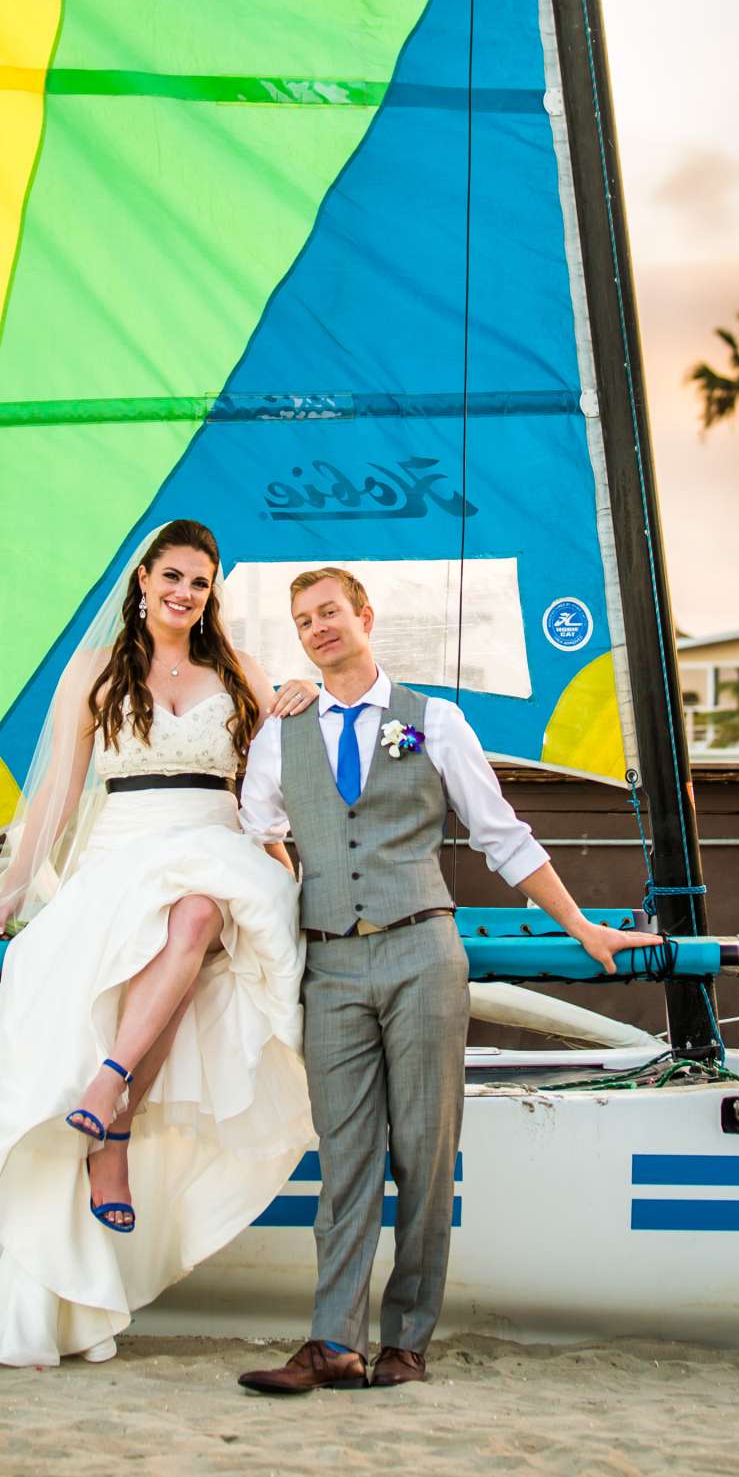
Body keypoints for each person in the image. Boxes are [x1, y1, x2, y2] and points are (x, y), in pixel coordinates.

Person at [236, 564, 655, 1393]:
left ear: (365, 615)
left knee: (425, 1151)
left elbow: (502, 836)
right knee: (346, 1154)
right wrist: (304, 893)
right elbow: (257, 832)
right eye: (303, 620)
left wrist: (579, 926)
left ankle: (406, 1340)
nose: (318, 628)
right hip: (331, 965)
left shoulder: (436, 722)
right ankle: (332, 1343)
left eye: (330, 612)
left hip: (424, 951)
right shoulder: (279, 730)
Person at [0, 519, 317, 1368]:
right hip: (121, 855)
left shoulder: (237, 670)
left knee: (200, 913)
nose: (184, 593)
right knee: (172, 921)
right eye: (172, 576)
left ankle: (107, 1098)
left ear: (212, 593)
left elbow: (269, 784)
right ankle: (111, 1131)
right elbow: (57, 790)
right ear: (143, 580)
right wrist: (7, 897)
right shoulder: (97, 672)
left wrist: (304, 695)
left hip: (215, 843)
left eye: (200, 582)